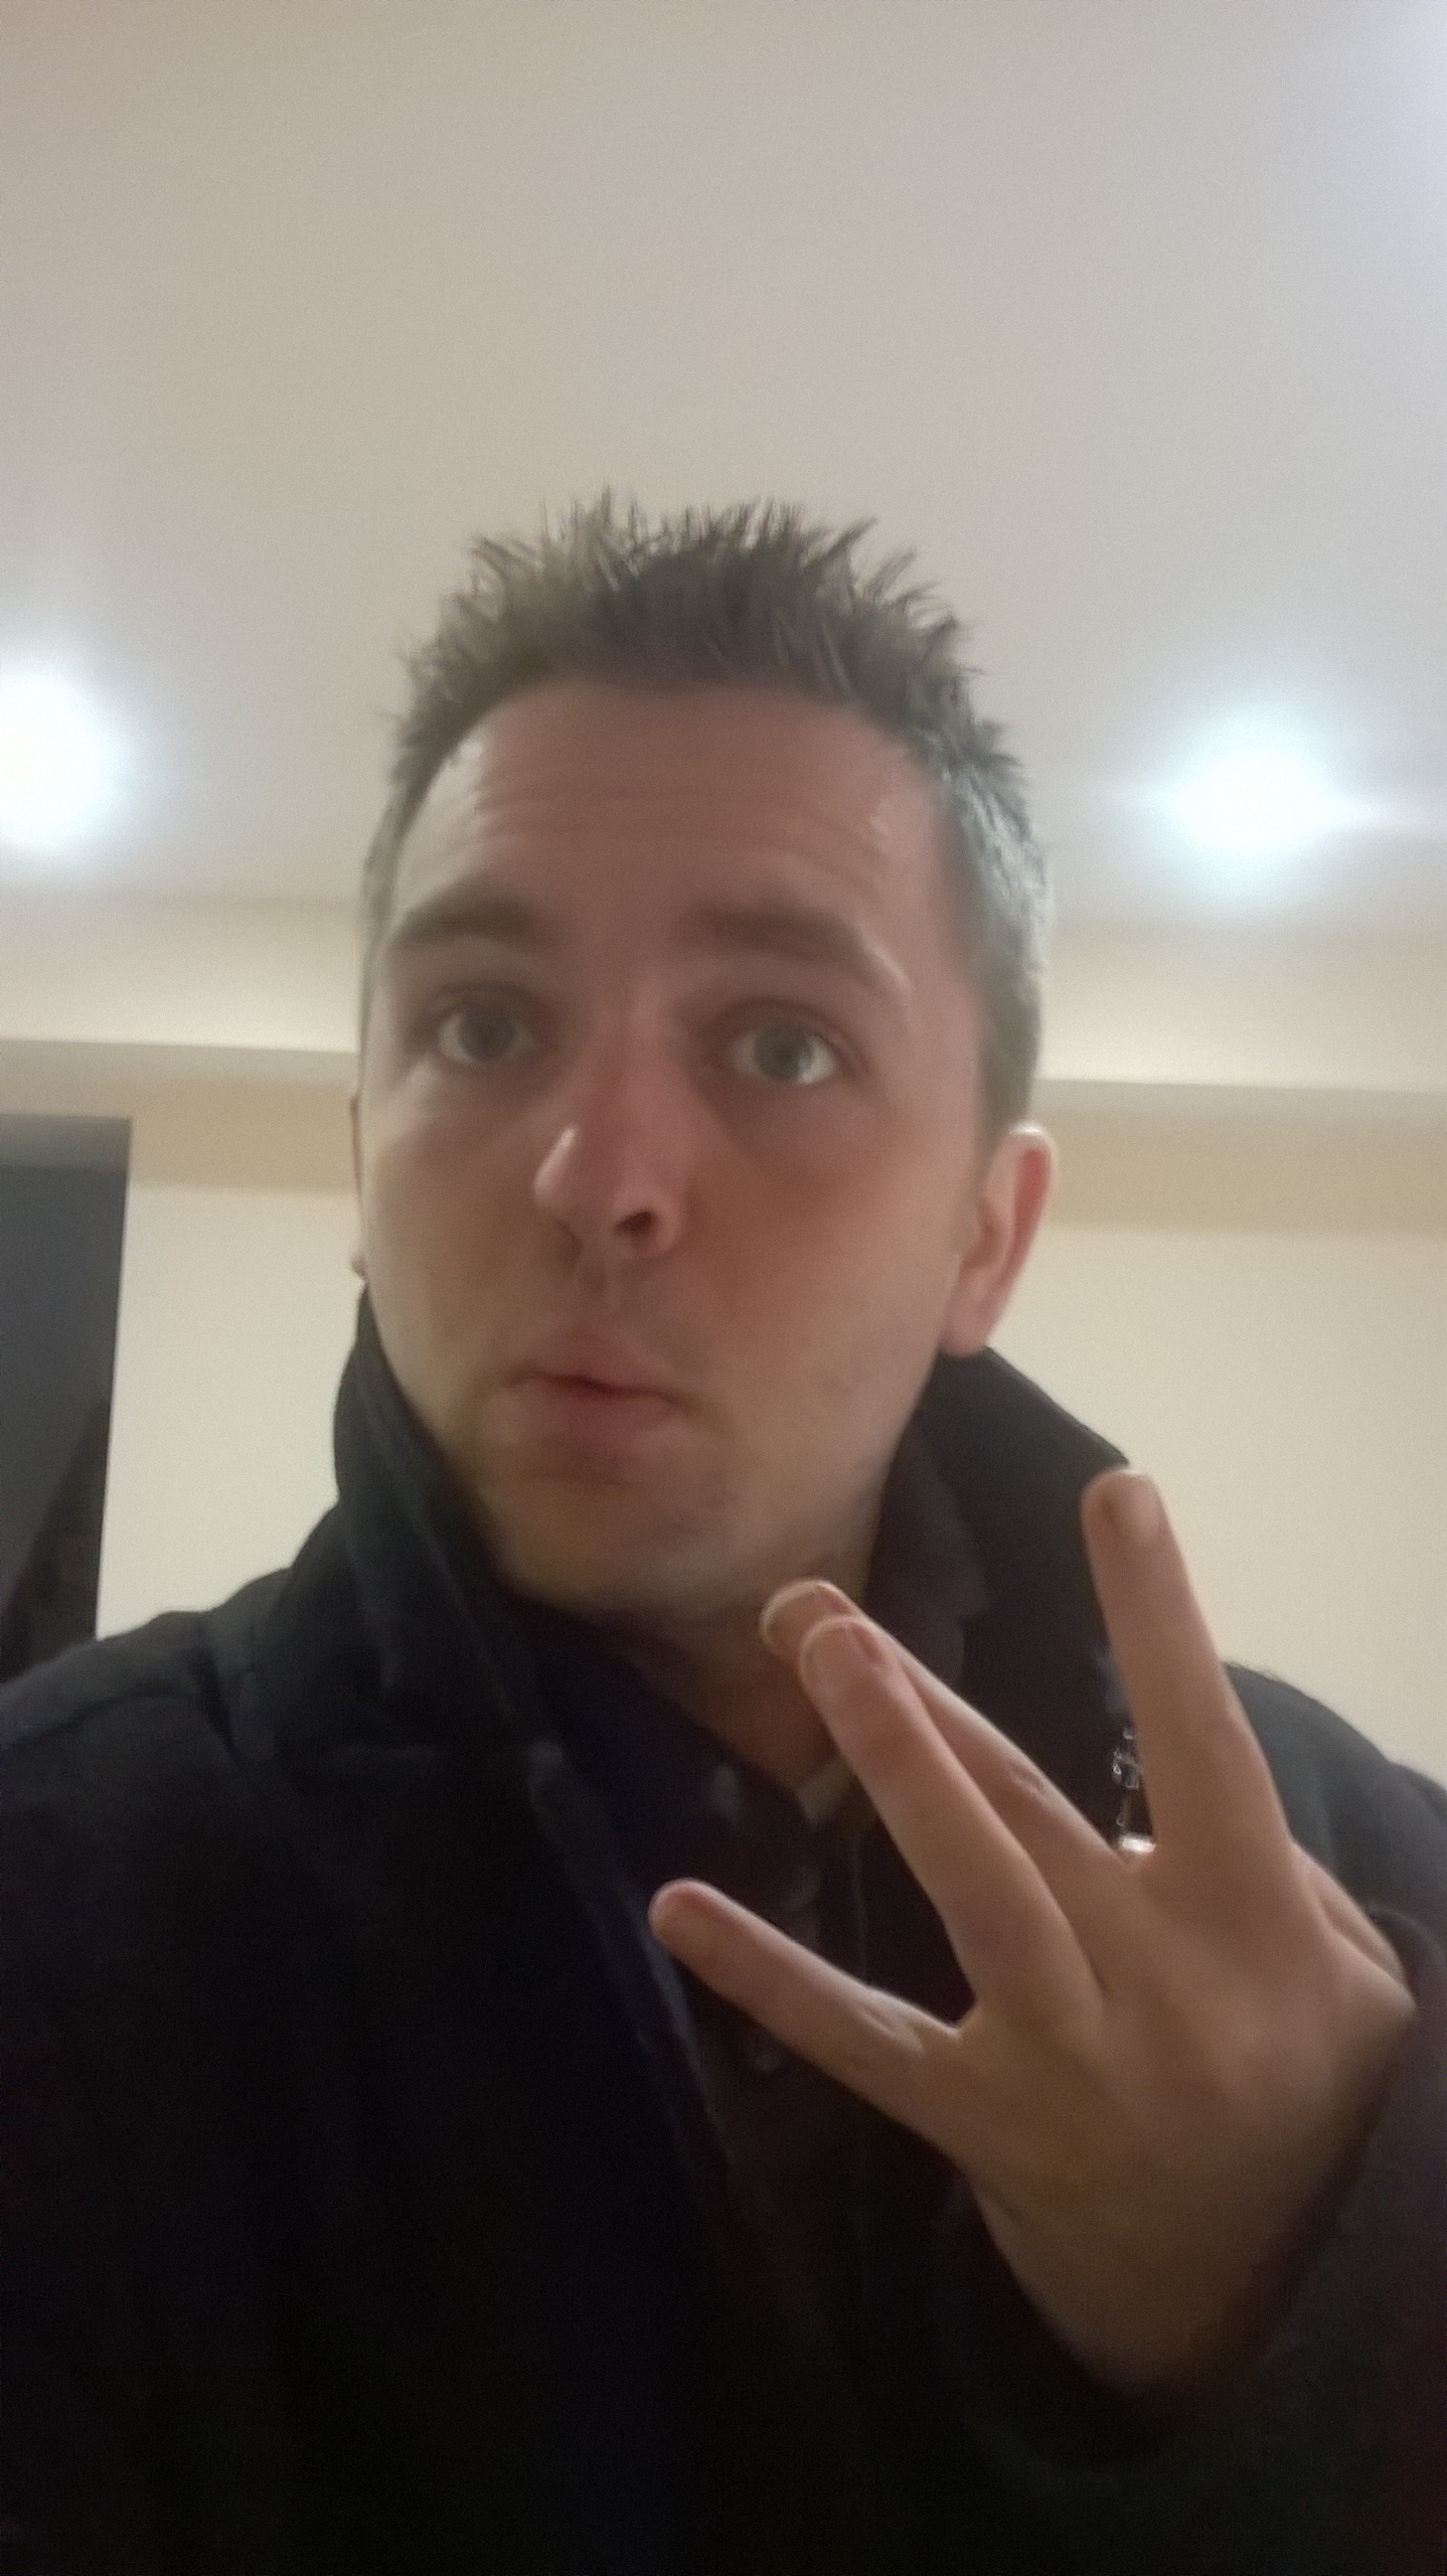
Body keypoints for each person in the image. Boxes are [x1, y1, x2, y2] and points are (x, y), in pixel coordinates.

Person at [2, 500, 1443, 2576]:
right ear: (360, 1157)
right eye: (482, 1026)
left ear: (985, 1235)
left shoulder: (1347, 1891)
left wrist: (1306, 2305)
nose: (599, 1174)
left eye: (781, 1044)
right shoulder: (60, 1907)